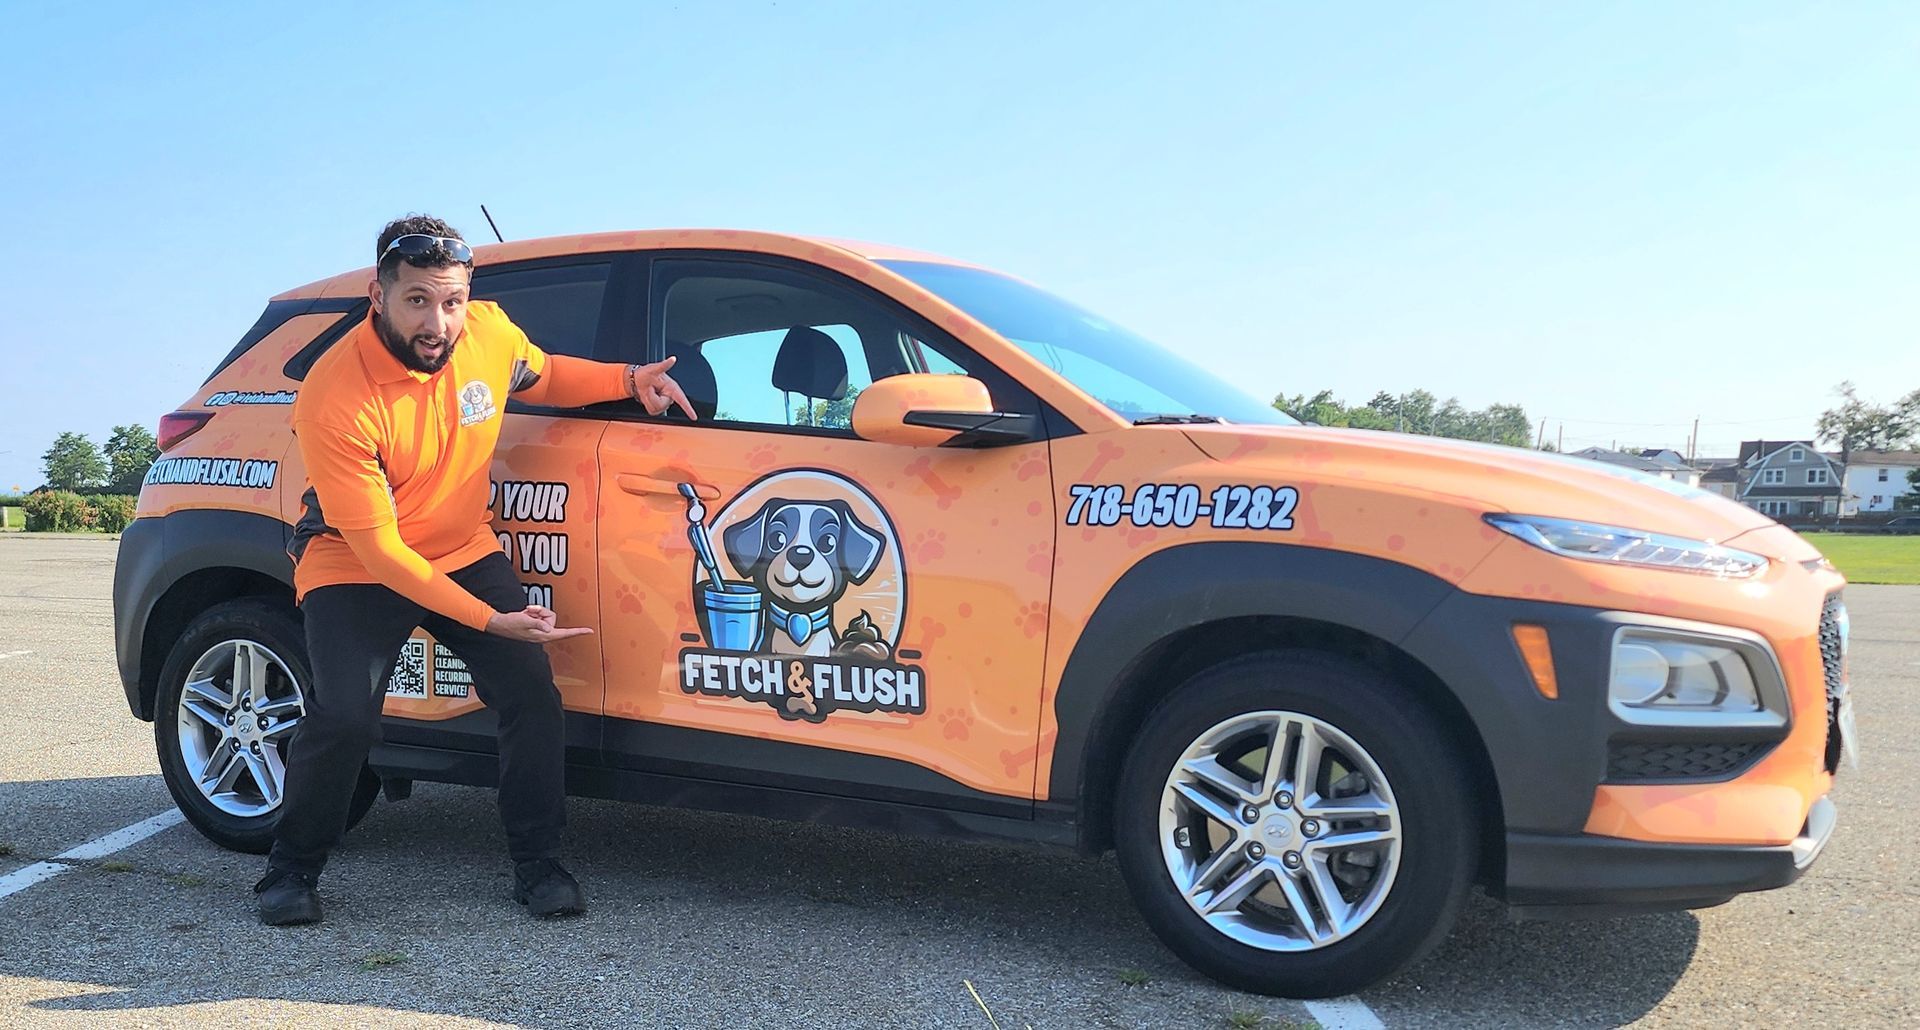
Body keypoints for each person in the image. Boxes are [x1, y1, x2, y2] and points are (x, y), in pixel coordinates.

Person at [254, 215, 693, 925]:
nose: (439, 322)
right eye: (419, 300)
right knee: (344, 716)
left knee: (530, 693)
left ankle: (540, 866)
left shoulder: (487, 331)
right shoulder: (336, 393)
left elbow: (545, 374)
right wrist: (492, 620)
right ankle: (291, 870)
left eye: (452, 300)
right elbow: (384, 553)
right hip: (357, 557)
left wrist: (627, 378)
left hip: (461, 545)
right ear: (378, 295)